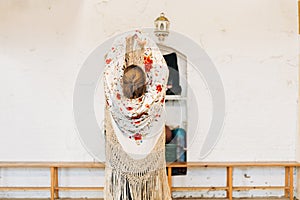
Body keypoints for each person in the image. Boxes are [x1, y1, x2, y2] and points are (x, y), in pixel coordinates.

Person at [103, 30, 172, 200]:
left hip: (123, 162)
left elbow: (109, 74)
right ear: (146, 83)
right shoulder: (153, 101)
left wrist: (123, 43)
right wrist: (146, 44)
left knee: (124, 192)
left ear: (122, 82)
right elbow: (161, 73)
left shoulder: (115, 100)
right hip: (148, 162)